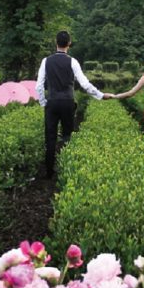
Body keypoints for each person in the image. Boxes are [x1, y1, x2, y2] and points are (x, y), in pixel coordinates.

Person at [35, 30, 105, 178]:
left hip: (52, 102)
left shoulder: (46, 61)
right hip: (67, 101)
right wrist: (100, 95)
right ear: (69, 44)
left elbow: (39, 86)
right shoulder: (73, 61)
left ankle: (49, 172)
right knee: (67, 135)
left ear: (56, 43)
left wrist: (43, 103)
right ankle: (67, 171)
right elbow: (85, 84)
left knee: (50, 137)